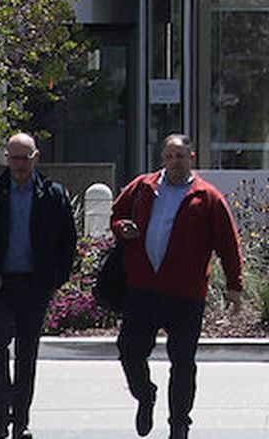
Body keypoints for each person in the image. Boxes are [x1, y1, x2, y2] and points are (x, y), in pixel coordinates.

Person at [110, 134, 243, 439]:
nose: (174, 162)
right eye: (169, 156)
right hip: (143, 288)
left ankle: (179, 424)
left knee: (182, 361)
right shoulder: (143, 187)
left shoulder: (206, 197)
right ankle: (145, 396)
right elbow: (117, 215)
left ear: (191, 158)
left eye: (180, 156)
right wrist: (122, 229)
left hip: (185, 293)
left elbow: (228, 243)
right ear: (162, 158)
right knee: (130, 351)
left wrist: (235, 285)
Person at [0, 133, 77, 439]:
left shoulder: (53, 194)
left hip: (36, 286)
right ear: (6, 159)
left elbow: (68, 241)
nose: (19, 164)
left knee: (27, 352)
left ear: (36, 157)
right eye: (14, 158)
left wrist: (57, 280)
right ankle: (1, 413)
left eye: (25, 158)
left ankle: (21, 419)